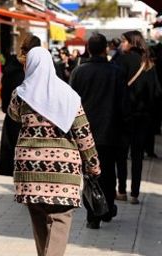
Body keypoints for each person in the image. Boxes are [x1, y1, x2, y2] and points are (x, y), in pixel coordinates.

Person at [8, 47, 101, 256]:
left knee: (39, 220)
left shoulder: (20, 94)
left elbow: (13, 116)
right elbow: (83, 134)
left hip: (28, 170)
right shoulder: (69, 96)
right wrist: (93, 164)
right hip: (62, 172)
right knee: (60, 219)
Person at [70, 33, 127, 228]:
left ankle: (92, 214)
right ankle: (107, 208)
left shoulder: (79, 72)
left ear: (88, 48)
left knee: (89, 174)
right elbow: (123, 104)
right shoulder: (117, 72)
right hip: (111, 130)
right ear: (105, 49)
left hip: (85, 131)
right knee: (109, 172)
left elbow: (71, 103)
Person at [114, 30, 162, 204]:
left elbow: (115, 86)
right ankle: (134, 193)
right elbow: (157, 92)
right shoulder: (148, 64)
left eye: (124, 41)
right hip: (143, 117)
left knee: (121, 154)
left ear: (131, 43)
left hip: (124, 115)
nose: (121, 44)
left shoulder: (121, 61)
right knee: (137, 155)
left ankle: (121, 191)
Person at [0, 35, 40, 176]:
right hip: (37, 117)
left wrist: (6, 108)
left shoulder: (11, 67)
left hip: (14, 115)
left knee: (16, 152)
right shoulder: (42, 66)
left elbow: (4, 91)